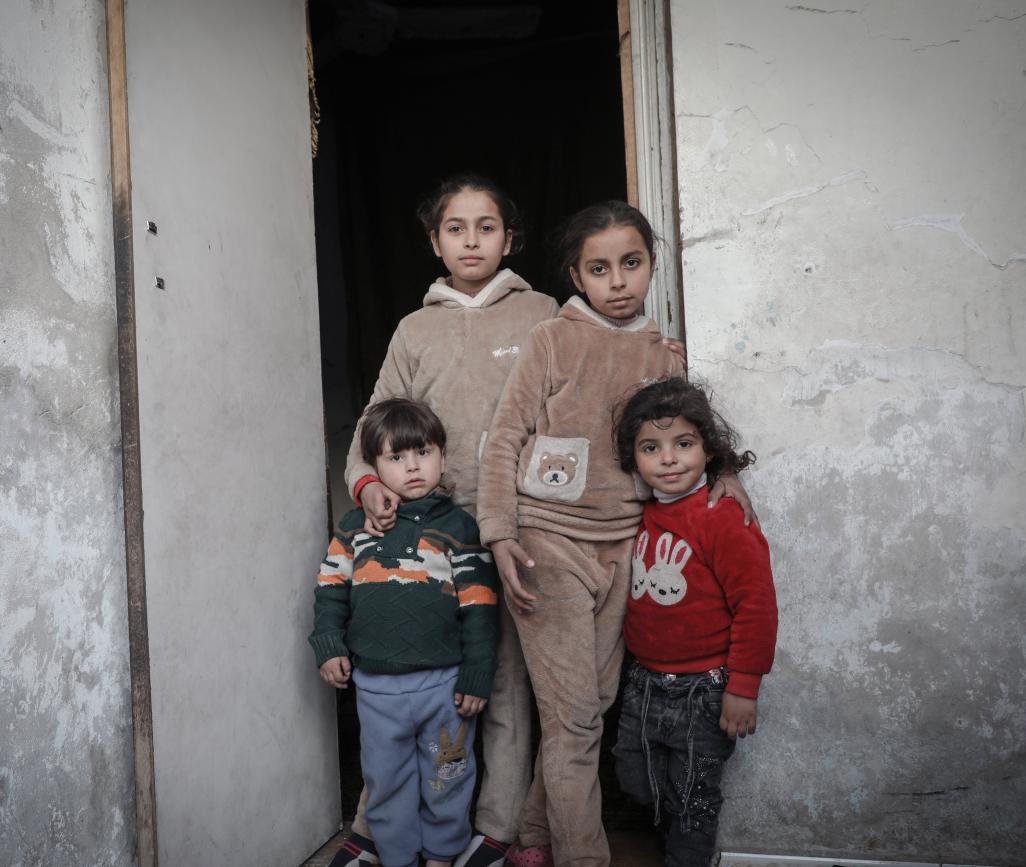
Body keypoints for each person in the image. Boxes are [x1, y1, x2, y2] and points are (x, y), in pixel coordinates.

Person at [476, 201, 753, 867]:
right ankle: (584, 857)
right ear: (576, 275)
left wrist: (726, 474)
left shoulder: (662, 354)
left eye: (632, 264)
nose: (618, 281)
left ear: (652, 266)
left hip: (626, 544)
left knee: (594, 704)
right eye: (600, 269)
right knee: (573, 721)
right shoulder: (552, 340)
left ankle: (535, 834)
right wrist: (500, 534)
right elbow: (505, 436)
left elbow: (682, 441)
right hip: (548, 541)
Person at [333, 174, 558, 867]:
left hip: (520, 527)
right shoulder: (415, 329)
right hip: (428, 534)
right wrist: (369, 484)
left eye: (485, 226)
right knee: (409, 678)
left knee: (506, 682)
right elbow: (374, 424)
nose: (471, 239)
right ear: (435, 242)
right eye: (455, 228)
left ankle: (496, 828)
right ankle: (378, 824)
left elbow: (594, 382)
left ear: (509, 238)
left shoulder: (544, 313)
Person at [311, 398, 501, 867]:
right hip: (376, 690)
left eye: (424, 453)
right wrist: (329, 645)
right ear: (373, 467)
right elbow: (330, 589)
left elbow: (480, 607)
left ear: (442, 455)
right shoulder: (354, 528)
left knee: (448, 776)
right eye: (396, 457)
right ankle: (397, 857)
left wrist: (477, 674)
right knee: (386, 779)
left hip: (444, 689)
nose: (413, 467)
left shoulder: (459, 527)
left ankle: (442, 854)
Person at [611, 377, 777, 867]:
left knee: (694, 803)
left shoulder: (722, 515)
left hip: (705, 689)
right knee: (633, 779)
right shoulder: (642, 511)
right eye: (650, 447)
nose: (668, 459)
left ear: (709, 449)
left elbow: (757, 605)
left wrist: (743, 687)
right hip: (643, 682)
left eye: (683, 444)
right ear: (634, 458)